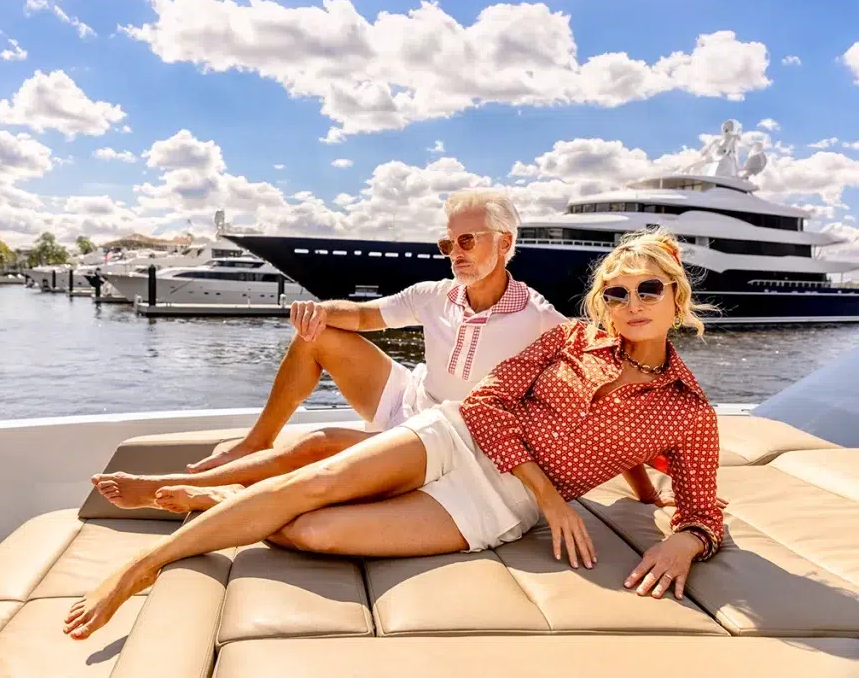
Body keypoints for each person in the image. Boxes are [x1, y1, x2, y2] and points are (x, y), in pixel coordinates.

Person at [64, 228, 725, 640]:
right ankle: (140, 567)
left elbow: (701, 506)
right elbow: (491, 402)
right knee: (315, 477)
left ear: (676, 295)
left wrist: (685, 545)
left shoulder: (689, 411)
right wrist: (551, 498)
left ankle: (219, 502)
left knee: (315, 529)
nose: (631, 303)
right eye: (616, 292)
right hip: (459, 435)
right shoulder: (568, 340)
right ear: (601, 302)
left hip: (496, 505)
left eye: (647, 289)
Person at [91, 189, 568, 509]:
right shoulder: (433, 294)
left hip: (444, 438)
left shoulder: (541, 320)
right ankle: (258, 439)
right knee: (317, 336)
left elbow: (599, 381)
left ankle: (215, 493)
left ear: (504, 242)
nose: (454, 252)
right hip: (410, 401)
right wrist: (317, 310)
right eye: (447, 242)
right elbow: (363, 316)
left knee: (320, 445)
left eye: (467, 239)